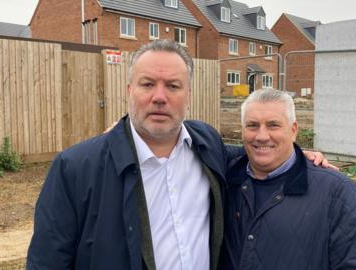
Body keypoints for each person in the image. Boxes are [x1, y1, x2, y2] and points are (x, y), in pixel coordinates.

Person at [26, 39, 333, 270]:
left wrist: (294, 152)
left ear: (188, 95)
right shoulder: (76, 168)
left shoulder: (208, 146)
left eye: (173, 86)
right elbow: (47, 261)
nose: (159, 97)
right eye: (148, 84)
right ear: (129, 90)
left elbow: (253, 152)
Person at [224, 89, 356, 270]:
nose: (261, 136)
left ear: (293, 131)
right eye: (252, 125)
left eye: (273, 125)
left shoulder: (335, 191)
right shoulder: (224, 180)